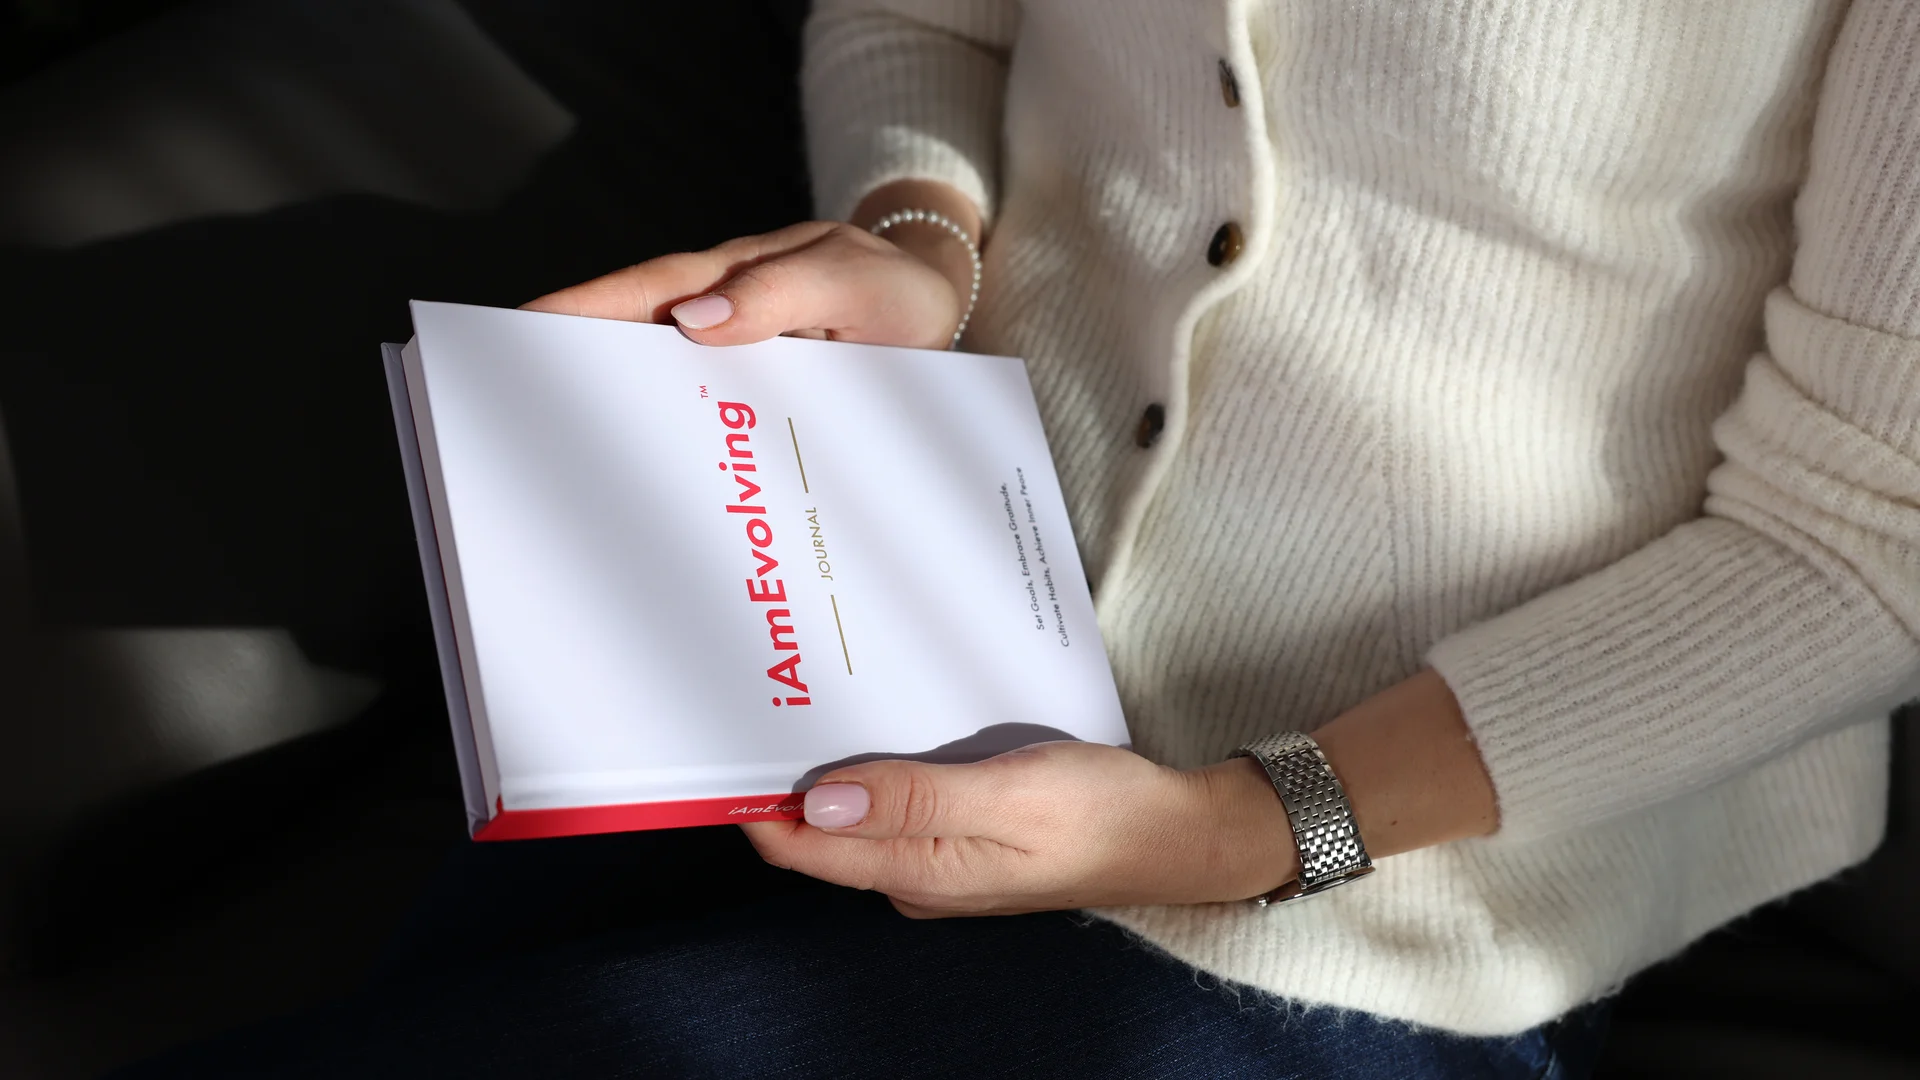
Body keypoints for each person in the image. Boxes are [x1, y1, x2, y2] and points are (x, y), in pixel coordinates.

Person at [99, 0, 1918, 1076]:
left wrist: (1239, 827)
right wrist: (912, 238)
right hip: (854, 617)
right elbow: (929, 15)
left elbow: (1859, 541)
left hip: (1390, 878)